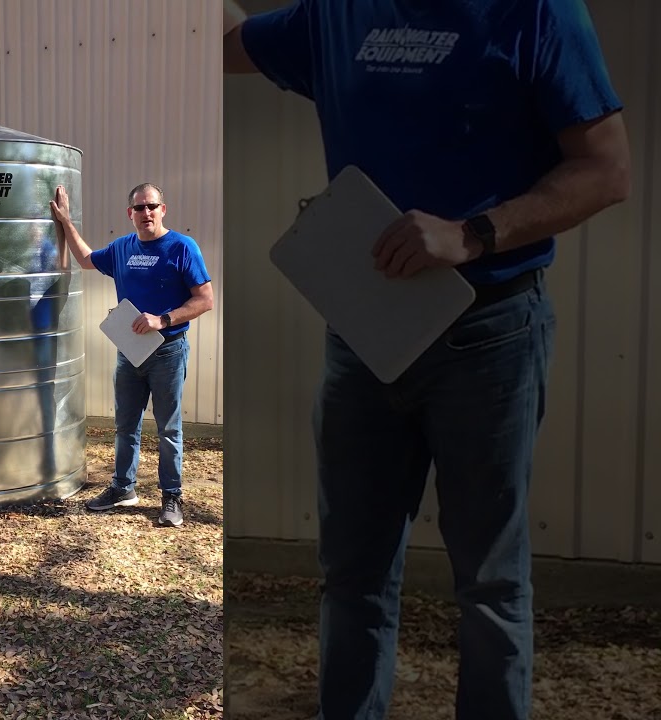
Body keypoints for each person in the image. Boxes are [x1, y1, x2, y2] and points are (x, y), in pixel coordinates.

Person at [222, 1, 631, 718]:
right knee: (353, 574)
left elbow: (606, 170)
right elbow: (222, 45)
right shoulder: (336, 14)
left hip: (491, 333)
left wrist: (476, 232)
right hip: (364, 335)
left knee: (490, 581)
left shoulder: (536, 12)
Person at [49, 183, 214, 527]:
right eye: (139, 208)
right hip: (130, 352)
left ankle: (171, 496)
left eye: (152, 206)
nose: (146, 213)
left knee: (168, 429)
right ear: (130, 214)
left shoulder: (182, 248)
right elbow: (85, 259)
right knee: (125, 425)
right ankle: (123, 488)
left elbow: (204, 299)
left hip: (168, 351)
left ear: (163, 209)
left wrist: (163, 319)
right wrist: (65, 221)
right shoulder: (122, 248)